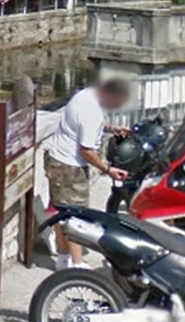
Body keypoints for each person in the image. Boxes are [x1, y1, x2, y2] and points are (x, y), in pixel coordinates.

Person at [43, 76, 132, 268]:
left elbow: (81, 126)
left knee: (60, 211)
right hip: (70, 167)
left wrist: (111, 128)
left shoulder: (85, 95)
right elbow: (86, 150)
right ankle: (77, 264)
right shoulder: (92, 111)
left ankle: (63, 258)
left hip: (58, 159)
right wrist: (108, 169)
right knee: (76, 216)